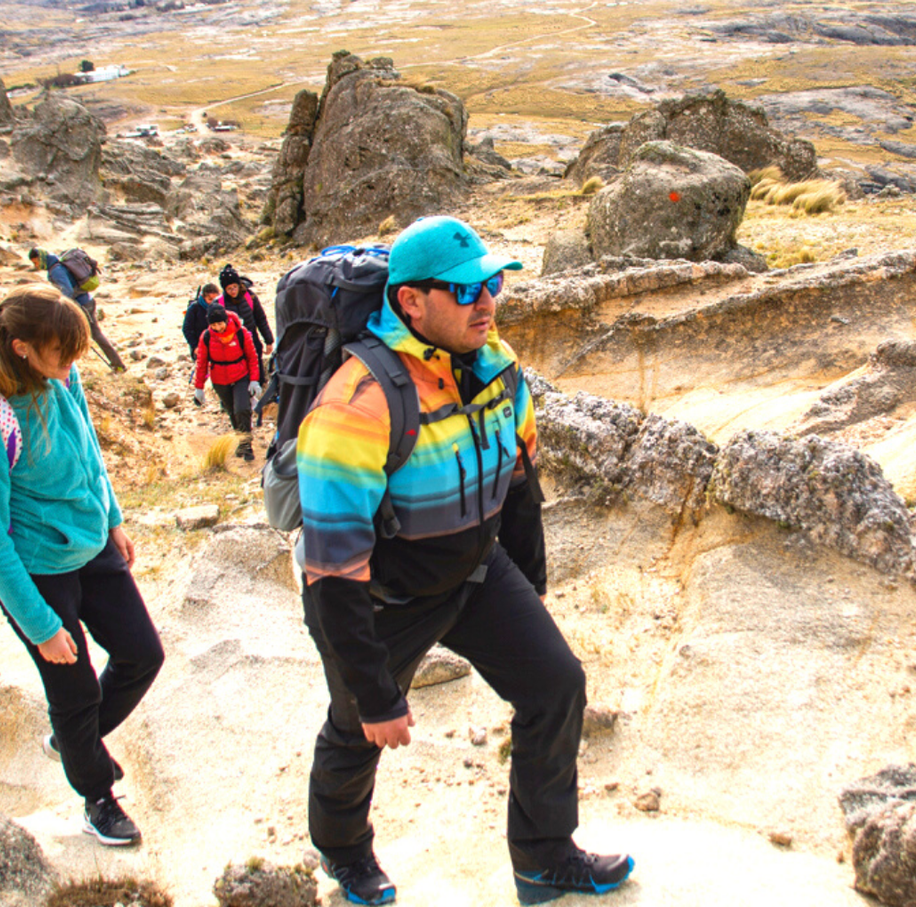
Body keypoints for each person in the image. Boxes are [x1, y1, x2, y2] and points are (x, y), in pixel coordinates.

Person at [296, 216, 633, 906]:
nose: (486, 301)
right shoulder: (356, 403)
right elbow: (332, 570)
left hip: (476, 569)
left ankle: (543, 859)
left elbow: (517, 483)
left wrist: (529, 589)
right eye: (464, 289)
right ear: (410, 302)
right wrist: (375, 692)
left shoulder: (497, 368)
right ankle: (344, 854)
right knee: (357, 727)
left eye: (493, 282)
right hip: (380, 597)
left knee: (556, 683)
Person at [0, 285, 163, 847]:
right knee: (74, 694)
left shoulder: (63, 377)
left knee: (144, 654)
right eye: (60, 352)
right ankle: (97, 796)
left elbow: (90, 451)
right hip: (37, 572)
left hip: (92, 545)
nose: (72, 364)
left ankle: (73, 741)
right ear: (20, 347)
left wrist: (114, 518)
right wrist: (42, 626)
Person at [29, 248, 127, 373]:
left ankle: (118, 365)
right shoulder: (57, 266)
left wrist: (62, 307)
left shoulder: (56, 271)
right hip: (85, 302)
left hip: (82, 305)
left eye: (36, 262)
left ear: (42, 258)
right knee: (85, 334)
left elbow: (67, 291)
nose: (36, 266)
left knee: (94, 334)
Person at [192, 303, 262, 461]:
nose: (218, 328)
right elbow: (202, 362)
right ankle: (241, 440)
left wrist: (254, 380)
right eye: (214, 325)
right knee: (232, 412)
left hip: (240, 376)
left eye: (220, 323)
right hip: (219, 379)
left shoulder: (241, 333)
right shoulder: (207, 336)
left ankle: (247, 446)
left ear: (226, 320)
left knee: (242, 409)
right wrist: (199, 388)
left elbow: (252, 357)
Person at [218, 264, 274, 364]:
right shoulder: (219, 303)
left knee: (258, 374)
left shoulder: (250, 297)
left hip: (253, 343)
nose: (233, 291)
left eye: (235, 287)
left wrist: (268, 340)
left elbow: (260, 319)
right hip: (233, 347)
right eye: (229, 288)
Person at [182, 283, 221, 360]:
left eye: (215, 299)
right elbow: (187, 329)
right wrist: (195, 346)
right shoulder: (194, 309)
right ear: (203, 297)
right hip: (200, 347)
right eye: (210, 299)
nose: (213, 302)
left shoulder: (220, 307)